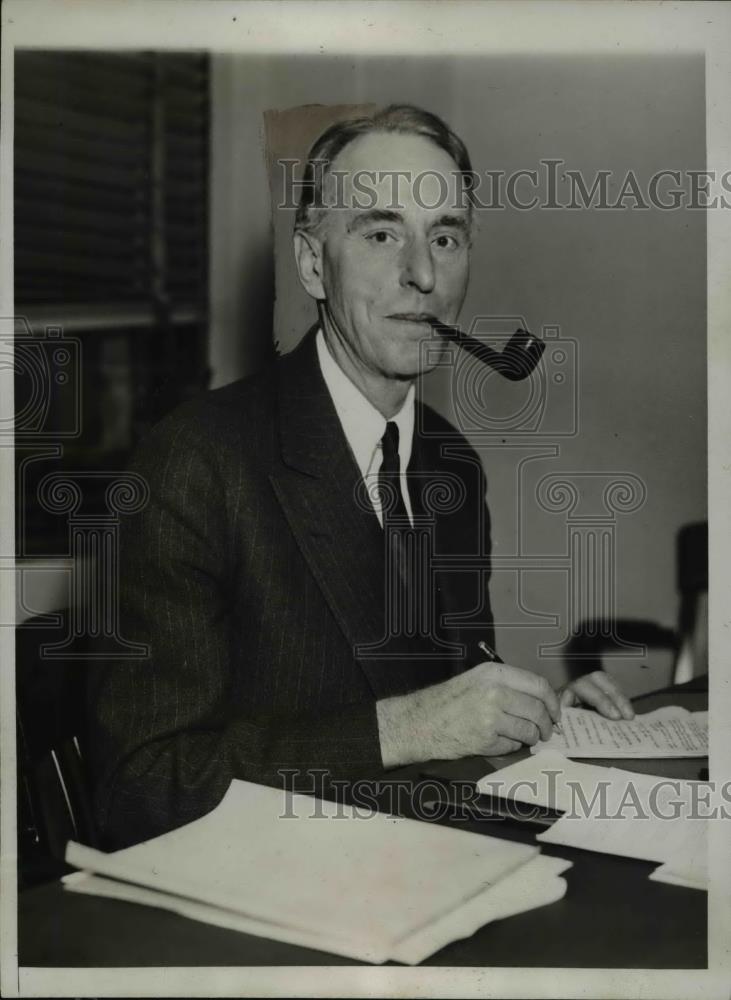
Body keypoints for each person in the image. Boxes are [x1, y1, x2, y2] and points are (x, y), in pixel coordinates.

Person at [89, 104, 633, 850]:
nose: (423, 275)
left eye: (444, 236)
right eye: (381, 234)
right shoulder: (194, 463)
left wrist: (537, 720)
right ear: (313, 263)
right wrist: (400, 730)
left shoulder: (448, 462)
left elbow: (450, 679)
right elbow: (141, 788)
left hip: (426, 866)